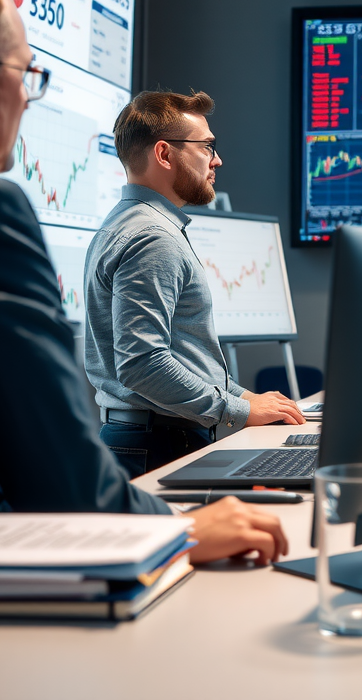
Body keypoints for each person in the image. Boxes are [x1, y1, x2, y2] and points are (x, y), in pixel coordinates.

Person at [0, 0, 286, 564]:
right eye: (28, 77)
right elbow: (59, 470)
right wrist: (183, 530)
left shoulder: (126, 224)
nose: (28, 100)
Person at [84, 90, 305, 476]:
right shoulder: (153, 237)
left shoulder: (129, 223)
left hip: (152, 438)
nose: (217, 159)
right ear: (165, 154)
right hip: (161, 443)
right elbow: (142, 364)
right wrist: (238, 410)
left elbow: (183, 354)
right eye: (207, 147)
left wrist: (246, 398)